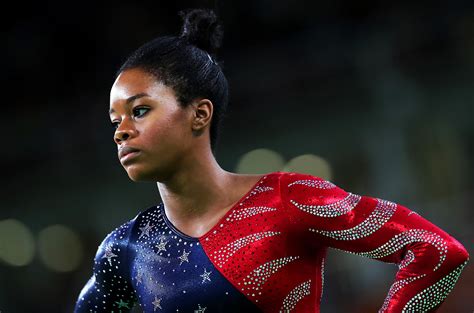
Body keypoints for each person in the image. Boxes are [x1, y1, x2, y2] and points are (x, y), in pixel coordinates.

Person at [73, 8, 469, 313]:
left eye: (139, 111)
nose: (121, 131)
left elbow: (436, 250)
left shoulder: (286, 200)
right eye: (115, 120)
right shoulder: (125, 249)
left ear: (199, 114)